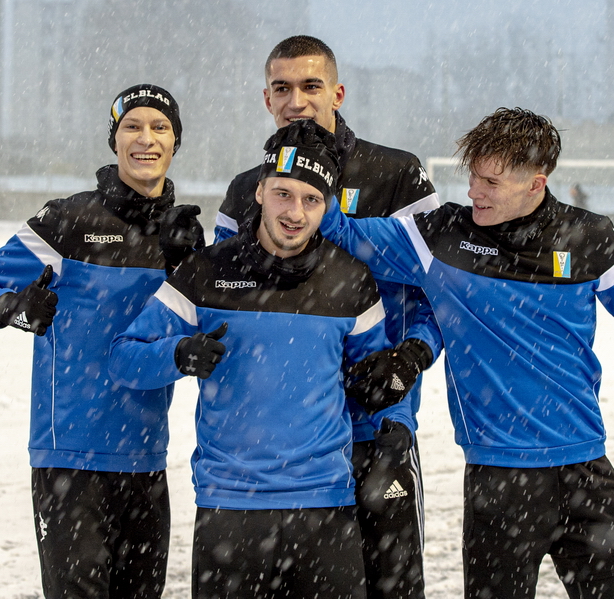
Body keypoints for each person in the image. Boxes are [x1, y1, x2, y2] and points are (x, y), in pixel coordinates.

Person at [319, 107, 614, 599]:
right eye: (473, 176)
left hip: (586, 474)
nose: (475, 191)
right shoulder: (441, 237)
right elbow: (338, 231)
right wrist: (309, 161)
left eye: (491, 182)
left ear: (536, 184)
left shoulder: (591, 238)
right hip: (499, 483)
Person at [109, 120, 430, 599]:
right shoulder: (206, 271)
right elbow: (124, 358)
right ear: (259, 191)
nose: (295, 212)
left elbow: (379, 384)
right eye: (283, 193)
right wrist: (177, 353)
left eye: (312, 199)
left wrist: (394, 430)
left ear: (329, 206)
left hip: (326, 509)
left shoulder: (352, 281)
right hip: (229, 512)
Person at [0, 84, 203, 599]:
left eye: (160, 128)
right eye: (132, 126)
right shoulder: (69, 220)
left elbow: (193, 335)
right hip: (69, 459)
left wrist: (186, 266)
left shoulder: (182, 235)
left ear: (176, 142)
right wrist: (12, 309)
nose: (146, 139)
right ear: (114, 139)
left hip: (145, 458)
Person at [214, 34, 442, 599]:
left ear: (337, 93)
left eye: (311, 86)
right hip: (283, 444)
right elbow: (215, 296)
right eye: (283, 88)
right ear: (266, 99)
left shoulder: (396, 175)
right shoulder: (248, 190)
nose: (298, 100)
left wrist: (412, 356)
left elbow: (445, 292)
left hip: (375, 427)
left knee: (391, 589)